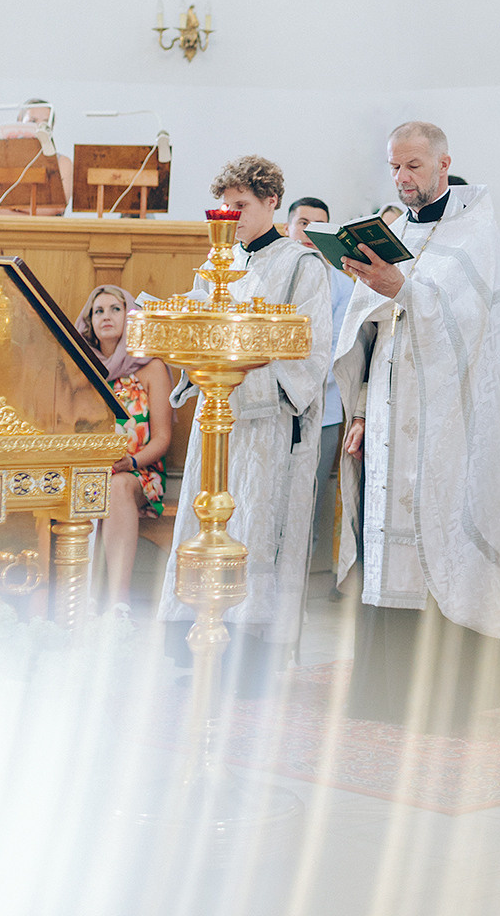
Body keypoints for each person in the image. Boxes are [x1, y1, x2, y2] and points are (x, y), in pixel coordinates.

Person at [335, 121, 500, 734]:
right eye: (395, 168)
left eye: (414, 168)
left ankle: (452, 692)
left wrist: (405, 289)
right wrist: (366, 406)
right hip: (394, 411)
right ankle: (385, 691)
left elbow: (470, 325)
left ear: (445, 162)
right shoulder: (392, 228)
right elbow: (375, 335)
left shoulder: (474, 229)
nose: (403, 180)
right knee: (388, 538)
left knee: (442, 535)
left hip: (448, 421)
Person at [157, 155, 331, 692]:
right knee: (205, 524)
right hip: (218, 423)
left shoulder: (302, 265)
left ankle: (250, 656)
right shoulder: (215, 264)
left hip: (269, 428)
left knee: (255, 531)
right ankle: (195, 641)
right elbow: (202, 334)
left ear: (272, 201)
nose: (231, 215)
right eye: (226, 205)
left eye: (243, 205)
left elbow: (311, 349)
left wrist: (244, 380)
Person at [74, 285, 172, 614]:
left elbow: (161, 438)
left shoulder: (149, 367)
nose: (106, 316)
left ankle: (118, 601)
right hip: (88, 471)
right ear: (88, 322)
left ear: (129, 317)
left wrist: (129, 461)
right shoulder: (81, 368)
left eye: (115, 309)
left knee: (116, 487)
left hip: (139, 471)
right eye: (98, 311)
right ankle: (78, 596)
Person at [286, 195, 352, 554]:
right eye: (303, 224)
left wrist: (295, 380)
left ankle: (296, 603)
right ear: (287, 228)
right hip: (270, 405)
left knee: (306, 499)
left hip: (321, 410)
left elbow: (336, 348)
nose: (310, 233)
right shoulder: (271, 274)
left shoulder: (343, 286)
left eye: (320, 226)